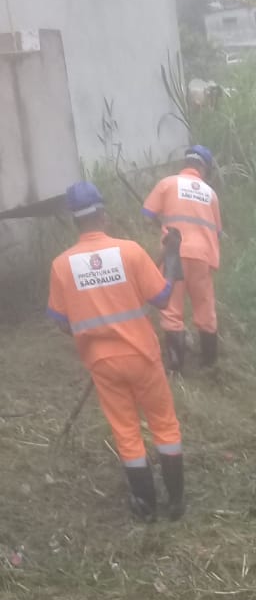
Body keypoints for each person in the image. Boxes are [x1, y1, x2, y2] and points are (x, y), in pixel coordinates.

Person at [47, 182, 185, 520]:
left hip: (103, 363)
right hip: (143, 356)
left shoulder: (61, 266)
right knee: (164, 425)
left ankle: (145, 505)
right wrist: (170, 254)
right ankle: (177, 502)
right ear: (103, 215)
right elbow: (164, 299)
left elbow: (62, 322)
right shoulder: (131, 252)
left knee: (126, 431)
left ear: (75, 222)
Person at [142, 145, 222, 372]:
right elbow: (216, 231)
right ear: (203, 168)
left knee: (172, 308)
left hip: (174, 253)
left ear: (186, 163)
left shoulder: (167, 184)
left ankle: (176, 366)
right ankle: (209, 362)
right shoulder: (210, 193)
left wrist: (166, 226)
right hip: (202, 256)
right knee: (204, 306)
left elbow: (147, 216)